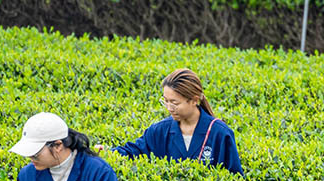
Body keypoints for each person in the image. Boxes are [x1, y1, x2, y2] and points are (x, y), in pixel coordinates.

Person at [99, 68, 243, 174]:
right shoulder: (159, 131)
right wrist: (105, 152)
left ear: (194, 100)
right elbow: (132, 152)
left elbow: (234, 178)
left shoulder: (220, 133)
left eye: (174, 103)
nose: (169, 108)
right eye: (165, 101)